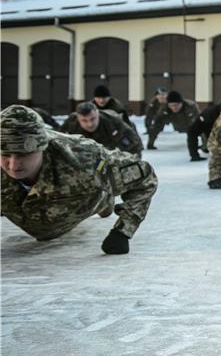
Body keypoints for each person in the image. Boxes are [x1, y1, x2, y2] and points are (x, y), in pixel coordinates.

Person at [0, 105, 158, 254]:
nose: (13, 165)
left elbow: (145, 176)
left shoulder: (84, 159)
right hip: (30, 216)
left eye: (23, 154)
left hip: (85, 199)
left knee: (100, 191)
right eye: (5, 155)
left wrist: (123, 232)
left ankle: (105, 200)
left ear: (42, 146)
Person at [61, 101, 143, 156]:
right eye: (84, 121)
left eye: (93, 119)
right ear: (78, 118)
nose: (90, 124)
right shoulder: (71, 123)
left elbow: (135, 147)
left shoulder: (113, 123)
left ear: (98, 114)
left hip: (108, 153)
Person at [186, 95, 221, 162]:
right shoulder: (210, 113)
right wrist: (194, 155)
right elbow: (192, 131)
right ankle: (204, 148)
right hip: (207, 125)